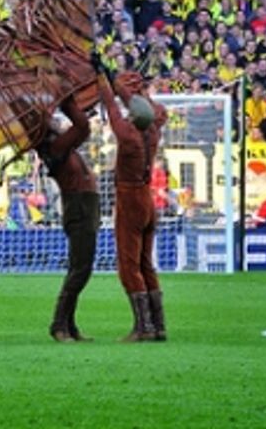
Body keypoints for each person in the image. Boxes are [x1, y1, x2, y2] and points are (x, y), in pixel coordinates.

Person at [97, 66, 167, 342]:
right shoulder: (153, 129)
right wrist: (132, 90)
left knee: (129, 266)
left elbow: (112, 108)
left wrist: (106, 81)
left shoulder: (127, 137)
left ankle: (143, 327)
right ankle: (158, 325)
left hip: (129, 198)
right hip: (147, 197)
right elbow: (144, 109)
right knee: (146, 263)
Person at [36, 101, 98, 342]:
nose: (55, 121)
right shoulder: (56, 146)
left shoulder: (61, 146)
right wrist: (68, 101)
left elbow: (82, 127)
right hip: (79, 206)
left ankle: (69, 325)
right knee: (80, 270)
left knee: (80, 268)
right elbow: (82, 126)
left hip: (84, 206)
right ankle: (59, 324)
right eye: (50, 120)